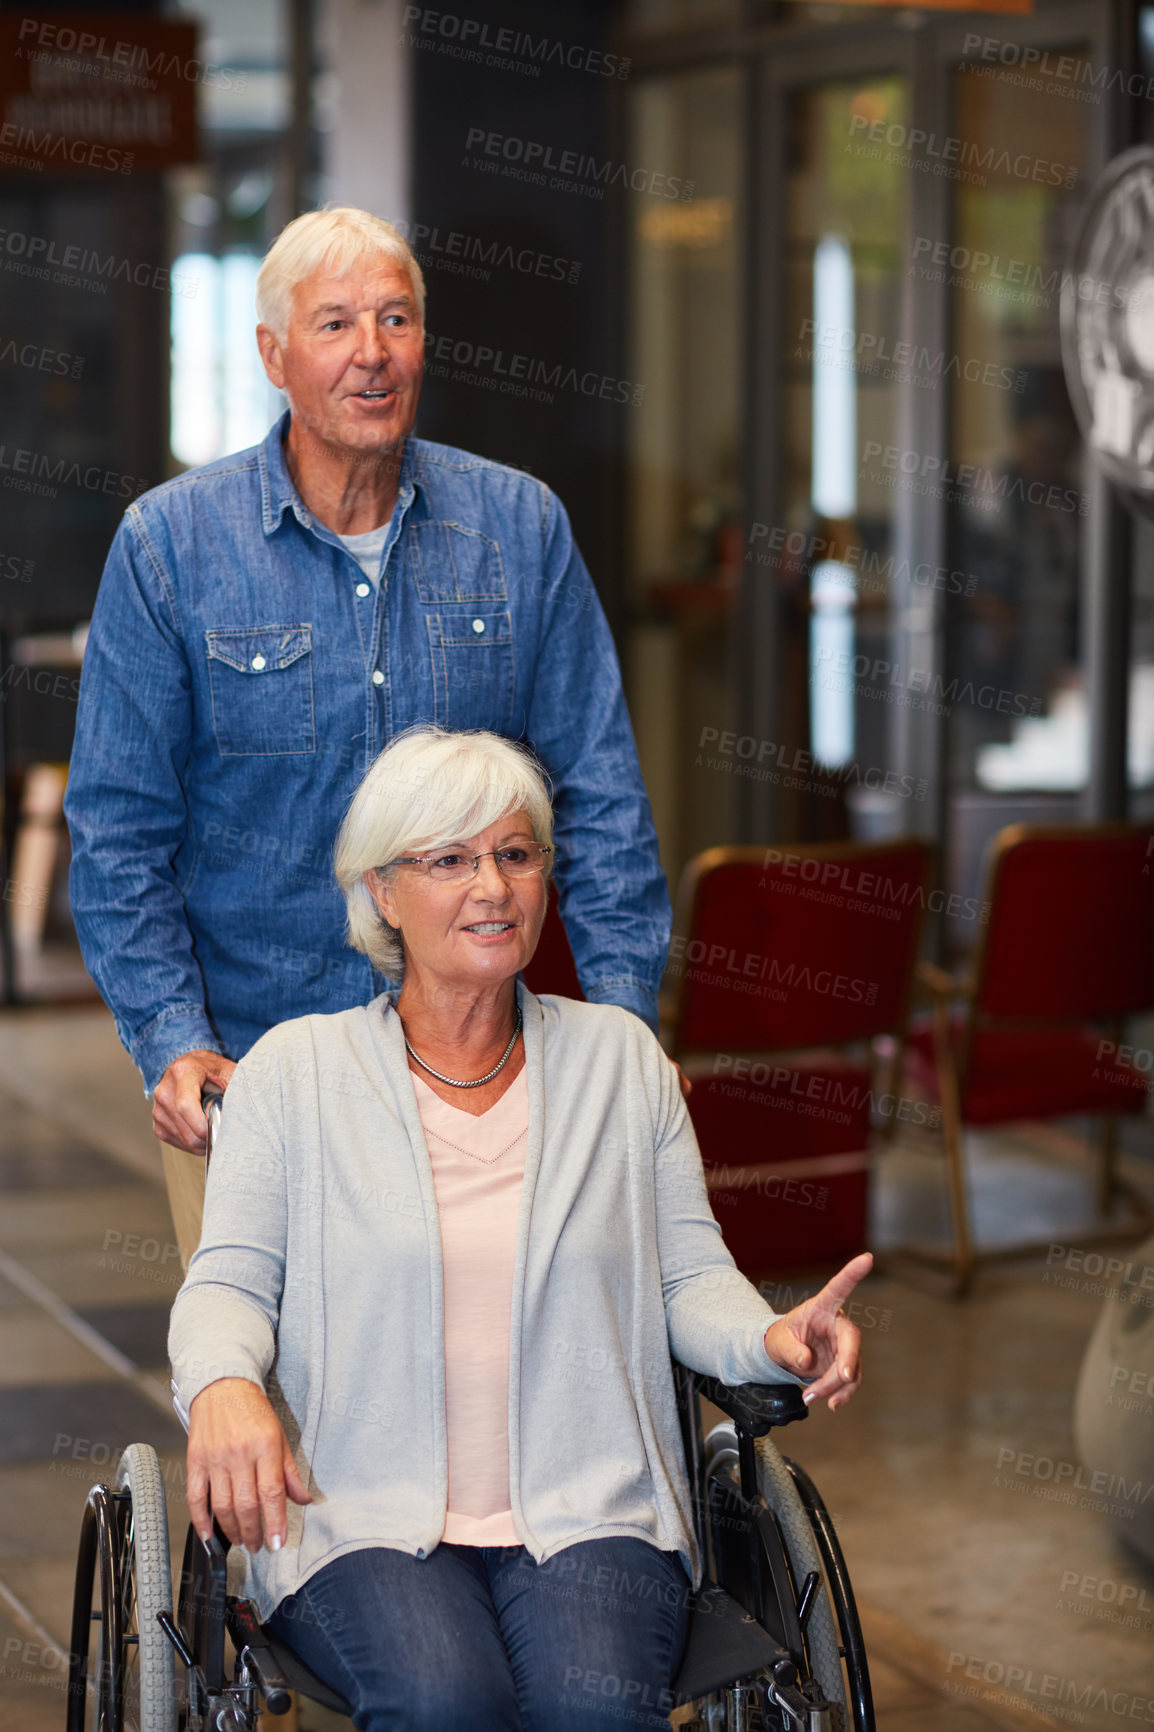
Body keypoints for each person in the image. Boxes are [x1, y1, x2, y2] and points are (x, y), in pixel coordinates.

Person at [170, 726, 871, 1732]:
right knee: (443, 1699)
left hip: (591, 1509)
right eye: (448, 859)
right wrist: (227, 1384)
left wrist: (770, 1336)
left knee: (594, 1708)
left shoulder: (620, 1062)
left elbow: (687, 1279)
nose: (490, 887)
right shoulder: (293, 1074)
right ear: (380, 891)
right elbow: (226, 1288)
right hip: (358, 1513)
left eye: (513, 853)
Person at [63, 205, 670, 1268]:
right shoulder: (169, 547)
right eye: (335, 323)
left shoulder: (519, 528)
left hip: (488, 1079)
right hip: (256, 1077)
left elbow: (601, 799)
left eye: (395, 319)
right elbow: (118, 832)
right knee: (270, 1412)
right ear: (273, 354)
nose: (371, 353)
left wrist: (621, 1032)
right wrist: (175, 1041)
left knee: (481, 1397)